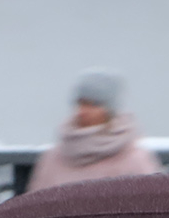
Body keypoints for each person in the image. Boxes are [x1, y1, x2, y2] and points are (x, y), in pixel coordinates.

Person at [27, 70, 160, 192]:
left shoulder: (133, 159)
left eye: (94, 104)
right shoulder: (53, 158)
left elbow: (151, 205)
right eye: (81, 103)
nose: (84, 111)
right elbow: (34, 207)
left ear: (109, 110)